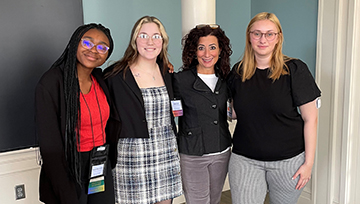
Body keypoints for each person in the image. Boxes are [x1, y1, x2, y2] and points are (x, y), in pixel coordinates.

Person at [227, 12, 321, 204]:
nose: (263, 39)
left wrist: (309, 164)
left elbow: (311, 118)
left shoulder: (294, 70)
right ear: (249, 37)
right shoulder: (238, 72)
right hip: (245, 161)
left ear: (278, 38)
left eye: (270, 34)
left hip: (288, 163)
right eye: (257, 33)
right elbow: (235, 112)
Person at [35, 23, 120, 204]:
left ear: (107, 55)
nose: (94, 50)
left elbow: (131, 71)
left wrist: (162, 65)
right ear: (75, 43)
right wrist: (64, 190)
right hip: (68, 168)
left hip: (99, 164)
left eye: (102, 47)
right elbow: (50, 146)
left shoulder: (101, 79)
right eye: (87, 43)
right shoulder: (52, 83)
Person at [104, 16, 182, 204]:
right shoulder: (115, 75)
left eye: (156, 36)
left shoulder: (168, 73)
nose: (150, 42)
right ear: (134, 40)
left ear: (163, 41)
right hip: (132, 154)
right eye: (143, 35)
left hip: (166, 150)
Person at [173, 24, 232, 204]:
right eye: (201, 48)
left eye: (212, 47)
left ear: (220, 50)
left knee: (214, 200)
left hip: (222, 151)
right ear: (193, 51)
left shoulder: (226, 80)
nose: (207, 54)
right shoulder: (179, 80)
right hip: (192, 154)